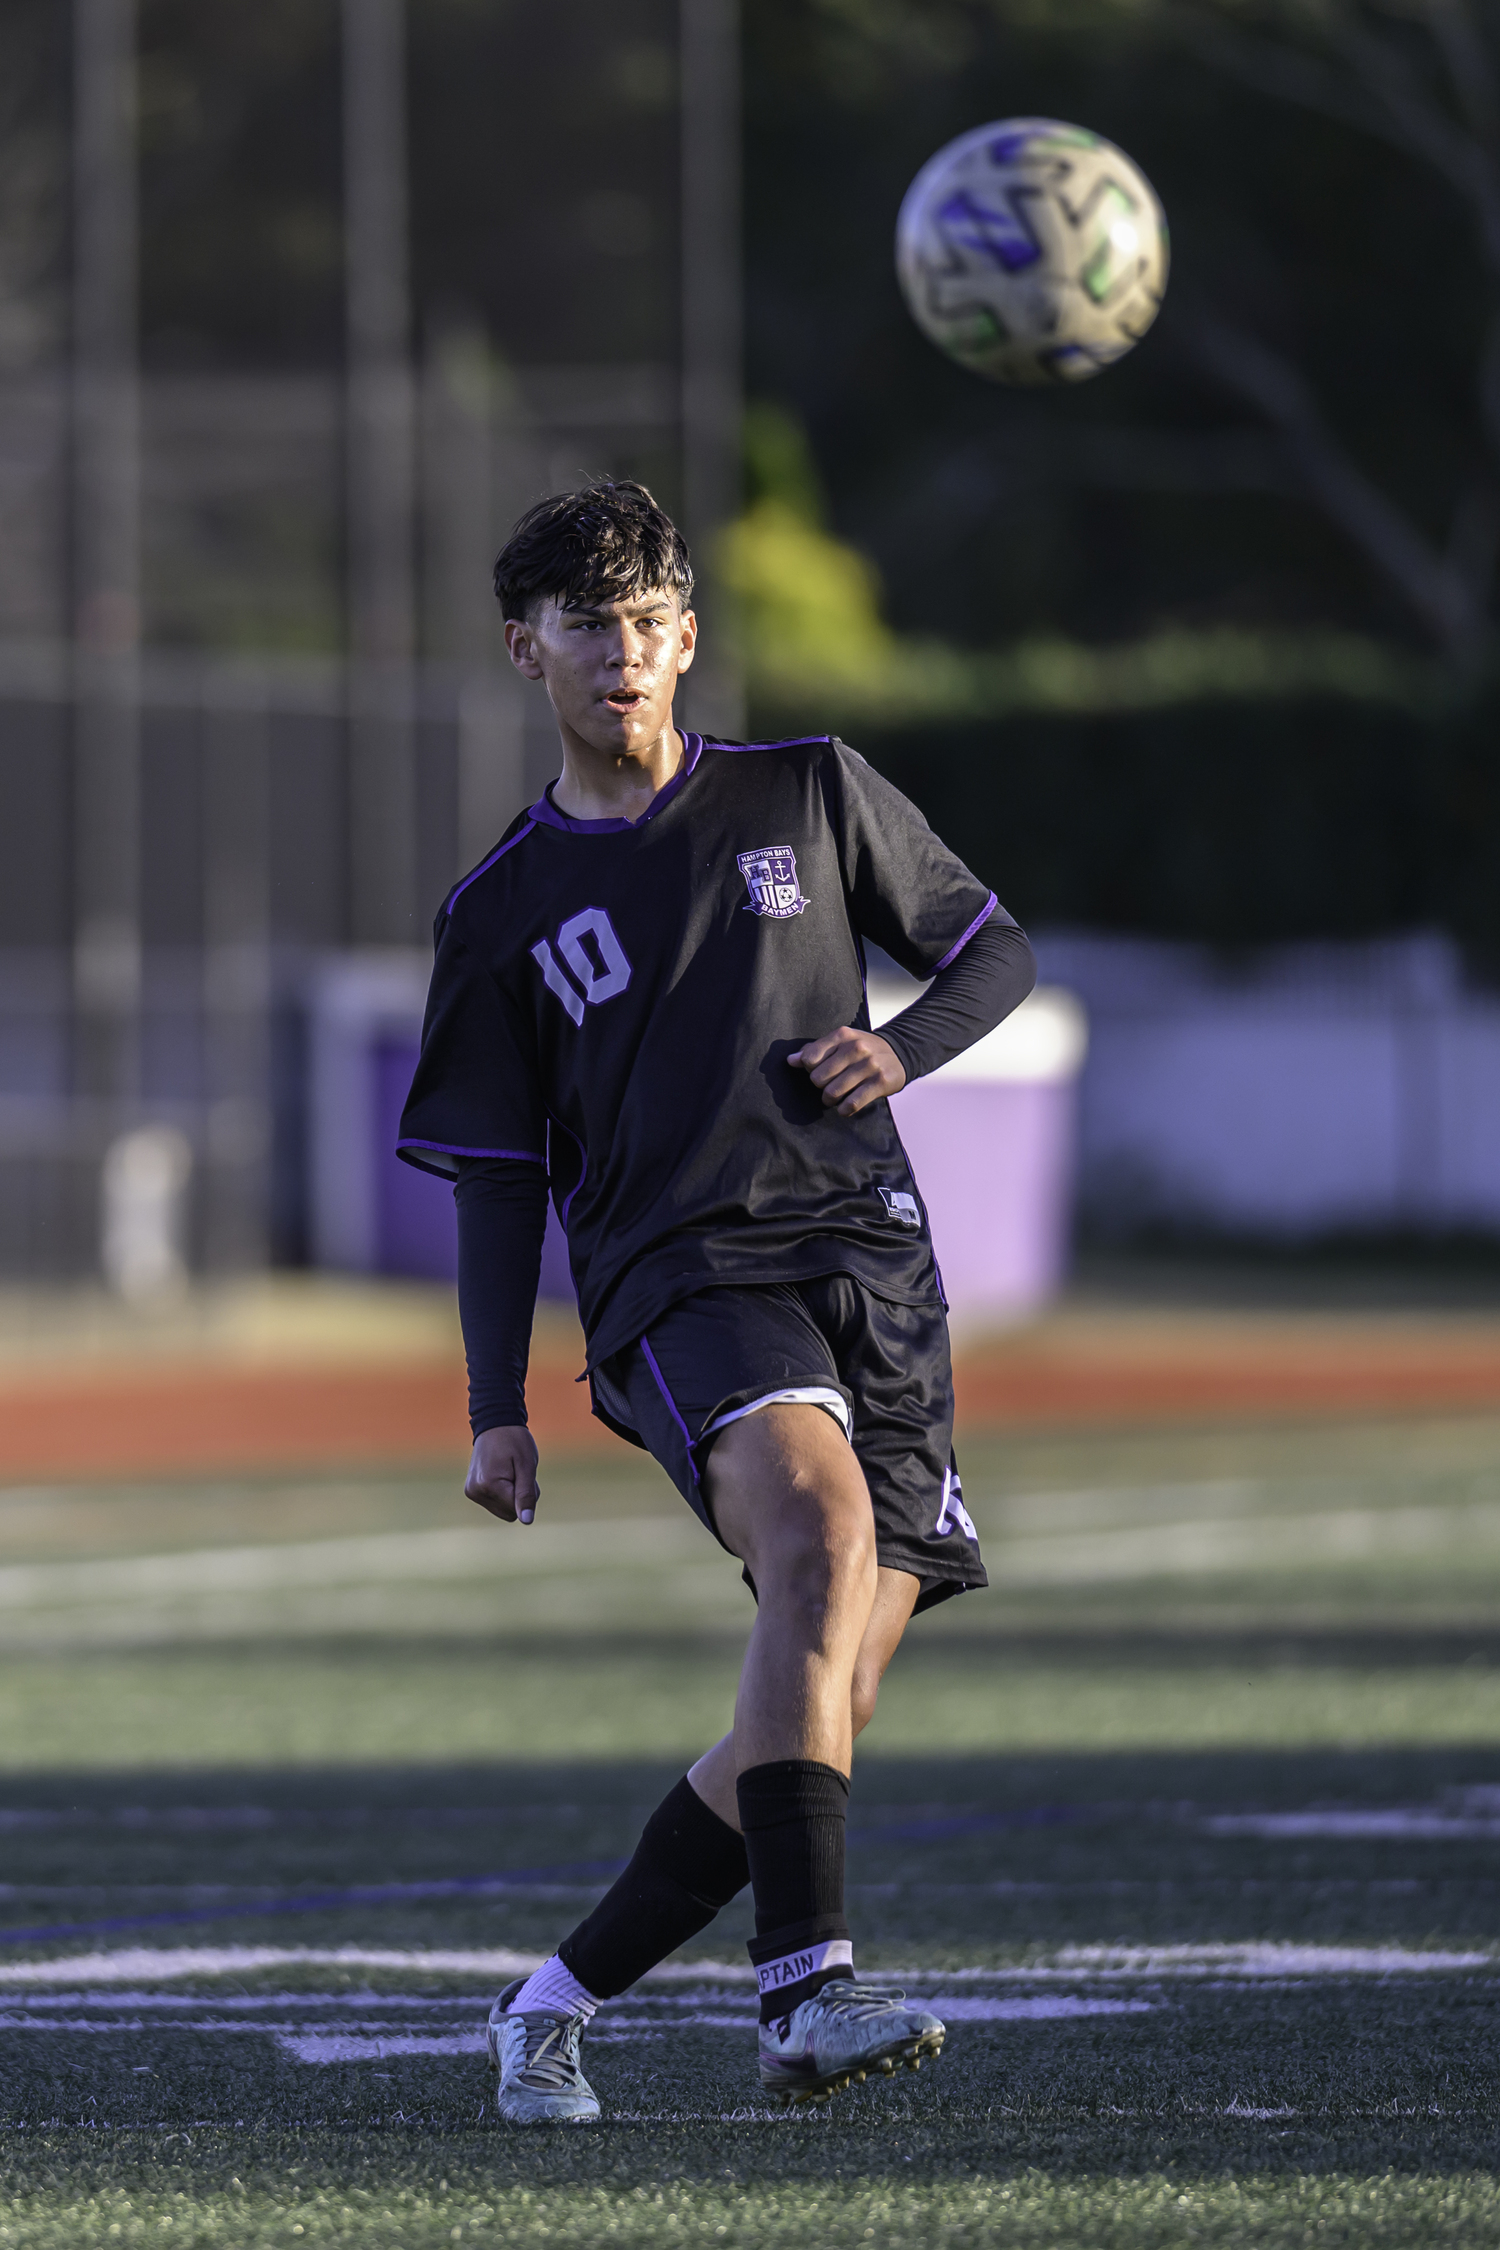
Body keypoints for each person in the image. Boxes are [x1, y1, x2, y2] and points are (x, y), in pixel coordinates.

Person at [397, 480, 1035, 2122]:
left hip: (875, 1268)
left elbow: (991, 949)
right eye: (584, 624)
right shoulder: (500, 910)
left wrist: (903, 1043)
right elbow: (496, 1172)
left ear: (689, 636)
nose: (620, 653)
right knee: (815, 1542)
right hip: (680, 1282)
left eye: (645, 620)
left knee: (827, 1685)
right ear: (525, 649)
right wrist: (492, 1406)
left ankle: (552, 2001)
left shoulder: (811, 790)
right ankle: (808, 1990)